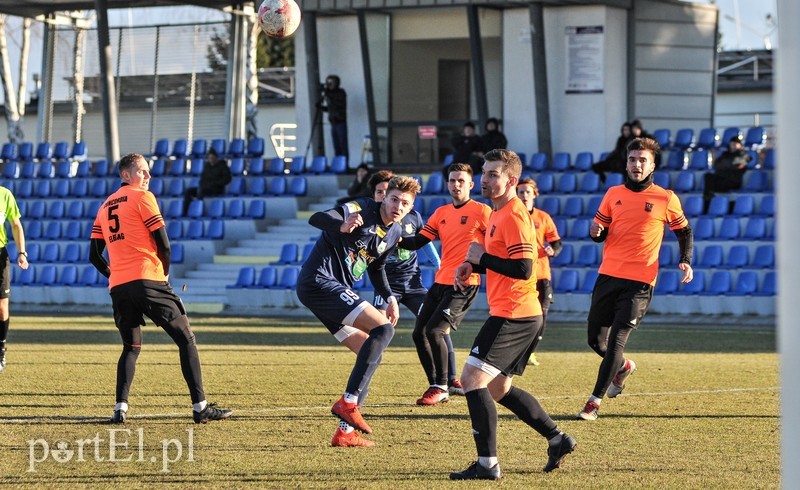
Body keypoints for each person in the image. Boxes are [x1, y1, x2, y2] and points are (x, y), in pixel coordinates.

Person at [450, 149, 575, 480]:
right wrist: (472, 264)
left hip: (514, 314)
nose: (485, 179)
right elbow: (501, 261)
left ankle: (487, 465)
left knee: (472, 380)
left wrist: (482, 258)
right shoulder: (497, 213)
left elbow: (523, 268)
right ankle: (557, 438)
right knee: (498, 389)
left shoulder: (516, 216)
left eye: (493, 174)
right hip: (518, 312)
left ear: (512, 180)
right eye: (485, 173)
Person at [89, 153, 232, 424]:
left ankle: (120, 409)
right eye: (142, 171)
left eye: (148, 172)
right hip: (148, 280)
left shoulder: (105, 206)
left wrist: (115, 274)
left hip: (119, 287)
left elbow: (94, 256)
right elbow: (164, 244)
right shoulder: (144, 198)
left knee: (131, 347)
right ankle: (200, 407)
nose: (148, 177)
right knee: (186, 338)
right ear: (125, 175)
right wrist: (163, 274)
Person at [297, 175, 421, 447]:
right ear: (384, 197)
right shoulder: (362, 208)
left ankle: (345, 432)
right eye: (394, 199)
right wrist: (341, 225)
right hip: (319, 281)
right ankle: (348, 403)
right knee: (383, 330)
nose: (398, 206)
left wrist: (389, 296)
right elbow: (317, 218)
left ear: (411, 209)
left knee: (369, 351)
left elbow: (376, 267)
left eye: (405, 203)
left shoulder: (396, 232)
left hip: (327, 289)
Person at [577, 137, 694, 421]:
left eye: (643, 160)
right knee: (596, 341)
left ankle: (593, 403)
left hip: (640, 282)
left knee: (616, 341)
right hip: (607, 276)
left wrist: (685, 260)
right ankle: (623, 367)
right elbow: (601, 232)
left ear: (652, 165)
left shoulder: (665, 198)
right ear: (626, 163)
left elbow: (684, 232)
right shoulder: (613, 193)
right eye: (632, 159)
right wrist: (595, 232)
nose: (637, 164)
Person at [365, 170, 463, 399]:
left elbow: (425, 243)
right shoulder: (372, 221)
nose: (387, 198)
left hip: (413, 284)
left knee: (437, 327)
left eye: (385, 191)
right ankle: (363, 380)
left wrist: (439, 264)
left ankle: (450, 379)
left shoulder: (413, 218)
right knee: (377, 329)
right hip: (386, 286)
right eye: (380, 193)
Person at [400, 163, 492, 406]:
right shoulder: (440, 212)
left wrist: (475, 265)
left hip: (464, 283)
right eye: (452, 180)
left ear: (471, 185)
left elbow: (496, 245)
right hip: (440, 282)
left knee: (435, 331)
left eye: (461, 181)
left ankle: (442, 386)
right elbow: (417, 241)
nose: (456, 185)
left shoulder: (483, 211)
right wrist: (391, 236)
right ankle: (438, 383)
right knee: (419, 333)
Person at [516, 178, 563, 366]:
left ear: (535, 194)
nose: (524, 195)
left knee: (541, 313)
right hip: (520, 274)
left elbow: (556, 242)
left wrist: (553, 250)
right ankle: (518, 350)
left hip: (541, 274)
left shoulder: (543, 217)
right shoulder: (513, 216)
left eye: (528, 192)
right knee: (519, 314)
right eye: (521, 192)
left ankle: (531, 352)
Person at [0, 185, 29, 373]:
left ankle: (1, 351)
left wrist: (21, 253)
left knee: (2, 309)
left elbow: (16, 225)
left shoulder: (5, 194)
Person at [702, 135, 752, 211]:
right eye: (732, 144)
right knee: (708, 176)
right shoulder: (725, 154)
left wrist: (726, 165)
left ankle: (709, 203)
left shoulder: (744, 155)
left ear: (740, 145)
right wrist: (728, 165)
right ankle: (708, 202)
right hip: (722, 178)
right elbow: (717, 165)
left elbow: (736, 165)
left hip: (733, 181)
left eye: (736, 144)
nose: (733, 146)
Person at [182, 147, 232, 215]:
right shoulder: (207, 166)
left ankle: (198, 210)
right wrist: (202, 184)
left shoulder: (222, 166)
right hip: (206, 188)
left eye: (212, 157)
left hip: (217, 189)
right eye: (209, 157)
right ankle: (185, 211)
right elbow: (203, 178)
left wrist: (216, 183)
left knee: (201, 190)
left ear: (216, 157)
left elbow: (227, 179)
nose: (210, 159)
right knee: (189, 191)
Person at [318, 74, 348, 160]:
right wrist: (321, 106)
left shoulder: (341, 92)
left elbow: (338, 105)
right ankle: (338, 163)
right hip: (333, 123)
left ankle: (344, 164)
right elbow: (330, 109)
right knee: (336, 146)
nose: (329, 85)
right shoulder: (329, 94)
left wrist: (328, 94)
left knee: (342, 145)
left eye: (331, 83)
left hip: (340, 122)